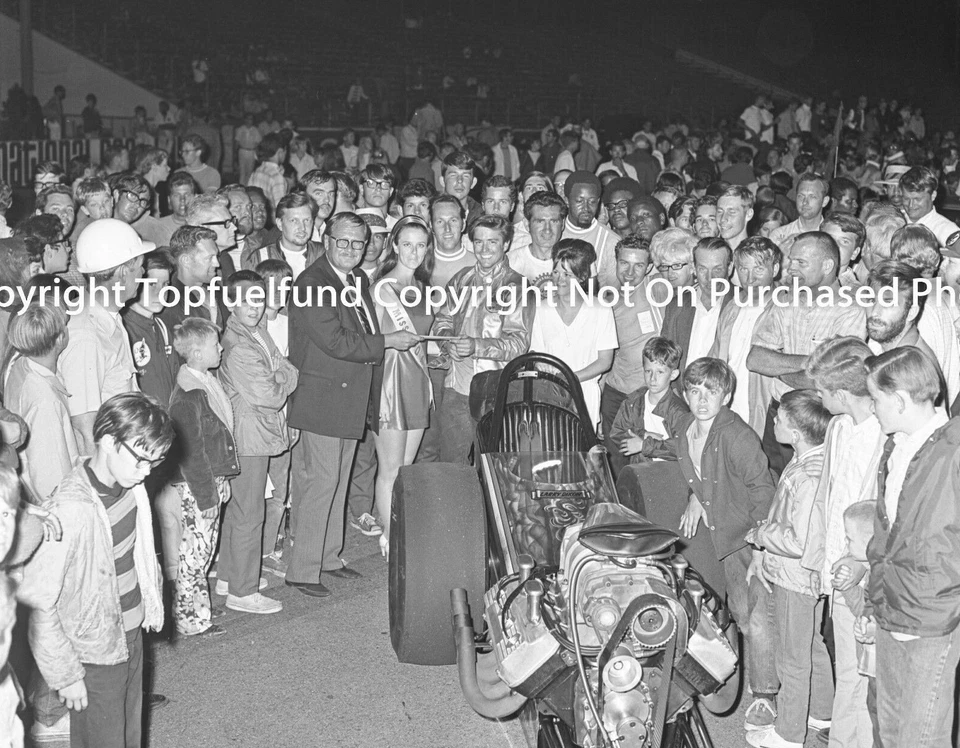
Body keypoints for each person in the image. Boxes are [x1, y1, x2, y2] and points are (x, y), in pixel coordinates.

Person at [19, 392, 173, 748]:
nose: (148, 471)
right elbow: (38, 601)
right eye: (141, 460)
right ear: (106, 441)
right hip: (94, 650)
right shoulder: (70, 508)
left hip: (131, 633)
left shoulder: (130, 486)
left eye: (155, 461)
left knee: (129, 736)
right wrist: (65, 674)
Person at [285, 213, 419, 597]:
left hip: (349, 396)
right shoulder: (312, 283)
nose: (349, 249)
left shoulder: (357, 279)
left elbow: (361, 330)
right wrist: (388, 342)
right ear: (325, 240)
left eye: (357, 243)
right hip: (323, 397)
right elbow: (337, 342)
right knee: (320, 482)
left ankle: (328, 558)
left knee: (338, 481)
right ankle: (303, 570)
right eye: (342, 242)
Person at [674, 357, 778, 736]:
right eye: (694, 390)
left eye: (711, 392)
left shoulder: (736, 434)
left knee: (757, 616)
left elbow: (764, 491)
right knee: (740, 612)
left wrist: (763, 552)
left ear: (727, 395)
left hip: (753, 533)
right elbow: (702, 474)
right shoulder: (687, 427)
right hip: (728, 536)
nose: (701, 399)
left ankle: (766, 696)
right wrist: (695, 496)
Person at [864, 347, 960, 748]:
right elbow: (886, 536)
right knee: (888, 732)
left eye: (876, 399)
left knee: (921, 739)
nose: (872, 408)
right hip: (892, 609)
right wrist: (873, 602)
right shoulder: (896, 446)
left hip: (933, 618)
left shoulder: (953, 453)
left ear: (900, 401)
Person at [800, 336, 884, 748]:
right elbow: (825, 499)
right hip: (836, 568)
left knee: (863, 677)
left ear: (841, 394)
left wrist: (860, 565)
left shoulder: (884, 435)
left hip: (862, 571)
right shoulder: (837, 427)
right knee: (847, 670)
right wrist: (818, 562)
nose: (816, 397)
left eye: (820, 391)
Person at [745, 389, 834, 748]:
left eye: (779, 419)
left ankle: (788, 734)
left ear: (795, 432)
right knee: (810, 645)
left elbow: (799, 541)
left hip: (795, 578)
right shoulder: (807, 460)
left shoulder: (807, 476)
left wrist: (761, 535)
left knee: (791, 657)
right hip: (800, 576)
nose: (774, 423)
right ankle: (822, 712)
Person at [748, 232, 867, 475]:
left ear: (827, 266)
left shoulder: (850, 312)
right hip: (778, 415)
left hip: (818, 420)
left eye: (801, 263)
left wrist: (779, 369)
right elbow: (755, 360)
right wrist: (808, 362)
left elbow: (823, 381)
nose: (791, 269)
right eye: (791, 260)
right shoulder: (785, 301)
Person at [217, 270, 297, 614]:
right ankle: (243, 591)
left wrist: (281, 374)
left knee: (241, 509)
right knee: (249, 512)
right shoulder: (238, 343)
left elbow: (285, 367)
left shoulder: (256, 331)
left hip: (256, 431)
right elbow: (270, 395)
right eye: (246, 299)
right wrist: (283, 376)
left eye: (259, 298)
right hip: (249, 435)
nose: (254, 305)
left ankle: (229, 576)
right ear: (230, 302)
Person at [431, 215, 533, 464]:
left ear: (506, 244)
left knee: (494, 466)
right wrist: (447, 342)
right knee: (451, 465)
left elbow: (519, 344)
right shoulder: (461, 278)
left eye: (492, 242)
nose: (484, 249)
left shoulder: (518, 285)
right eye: (479, 242)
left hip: (495, 390)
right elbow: (442, 321)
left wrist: (477, 346)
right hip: (456, 387)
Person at [168, 317, 238, 637]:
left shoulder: (204, 380)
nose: (220, 348)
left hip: (210, 479)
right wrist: (207, 494)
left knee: (203, 549)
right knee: (195, 554)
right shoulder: (189, 393)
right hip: (198, 485)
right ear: (196, 352)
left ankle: (198, 606)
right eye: (214, 345)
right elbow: (191, 452)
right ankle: (191, 618)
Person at [59, 220, 153, 455]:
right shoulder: (85, 334)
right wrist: (102, 489)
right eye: (139, 266)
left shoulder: (111, 316)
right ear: (122, 272)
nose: (144, 272)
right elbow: (84, 427)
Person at [371, 217, 434, 556]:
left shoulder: (423, 289)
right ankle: (389, 534)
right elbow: (368, 338)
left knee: (406, 470)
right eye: (407, 244)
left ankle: (399, 526)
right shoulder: (381, 288)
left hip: (416, 381)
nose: (413, 251)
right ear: (394, 246)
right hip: (390, 381)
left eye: (420, 245)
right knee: (391, 468)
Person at [529, 238, 618, 429]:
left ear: (582, 276)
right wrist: (548, 373)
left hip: (584, 397)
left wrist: (569, 377)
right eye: (556, 272)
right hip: (548, 394)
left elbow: (604, 361)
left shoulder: (601, 309)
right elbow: (537, 354)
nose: (559, 280)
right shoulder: (541, 309)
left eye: (567, 274)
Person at [600, 234, 665, 475]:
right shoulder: (607, 300)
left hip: (648, 394)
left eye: (638, 265)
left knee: (646, 468)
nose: (630, 272)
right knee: (616, 465)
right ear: (615, 262)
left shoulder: (657, 290)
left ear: (649, 267)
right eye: (624, 263)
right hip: (616, 394)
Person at [3, 303, 78, 503]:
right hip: (55, 504)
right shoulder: (44, 400)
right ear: (61, 338)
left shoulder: (22, 364)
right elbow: (51, 480)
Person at [710, 237, 781, 435]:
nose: (750, 279)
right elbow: (717, 354)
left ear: (774, 269)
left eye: (758, 269)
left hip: (765, 411)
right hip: (727, 406)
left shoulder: (785, 308)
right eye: (743, 269)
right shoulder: (732, 306)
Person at [661, 236, 735, 374]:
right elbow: (665, 359)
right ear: (694, 268)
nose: (709, 278)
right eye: (702, 269)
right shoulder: (676, 306)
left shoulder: (742, 304)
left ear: (729, 268)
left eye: (717, 269)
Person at [609, 336, 687, 467]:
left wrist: (645, 445)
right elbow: (617, 433)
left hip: (671, 474)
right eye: (648, 371)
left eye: (660, 372)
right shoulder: (633, 401)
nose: (653, 378)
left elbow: (683, 448)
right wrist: (643, 435)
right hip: (641, 470)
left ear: (673, 375)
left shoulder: (678, 410)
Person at [241, 191, 321, 277]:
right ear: (280, 224)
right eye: (294, 221)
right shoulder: (259, 258)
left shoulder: (323, 254)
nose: (302, 228)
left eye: (306, 220)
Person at [560, 171, 618, 286]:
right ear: (566, 201)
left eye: (592, 202)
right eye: (579, 201)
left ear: (598, 202)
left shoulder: (611, 240)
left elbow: (613, 293)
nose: (586, 208)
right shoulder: (555, 232)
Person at [509, 190, 565, 284]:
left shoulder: (574, 262)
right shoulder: (510, 263)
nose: (547, 229)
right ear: (527, 224)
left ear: (563, 224)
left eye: (554, 221)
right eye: (540, 221)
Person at [899, 166, 960, 247]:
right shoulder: (894, 222)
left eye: (917, 199)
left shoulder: (947, 230)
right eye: (906, 198)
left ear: (933, 195)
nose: (911, 205)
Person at [770, 174, 830, 248]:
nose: (805, 202)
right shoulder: (780, 236)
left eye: (812, 197)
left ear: (824, 201)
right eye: (801, 196)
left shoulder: (833, 236)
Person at [428, 195, 475, 286]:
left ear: (463, 224)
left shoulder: (480, 265)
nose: (447, 228)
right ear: (431, 225)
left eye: (453, 220)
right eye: (440, 222)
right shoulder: (421, 266)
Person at [248, 133, 287, 213]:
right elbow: (281, 209)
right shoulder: (276, 177)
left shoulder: (257, 171)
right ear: (280, 152)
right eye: (285, 152)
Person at [441, 151, 481, 227]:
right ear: (442, 181)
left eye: (466, 176)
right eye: (453, 175)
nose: (460, 180)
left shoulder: (481, 216)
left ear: (473, 183)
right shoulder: (431, 212)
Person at [717, 185, 754, 251]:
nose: (723, 219)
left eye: (731, 212)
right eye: (719, 211)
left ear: (749, 214)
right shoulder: (710, 254)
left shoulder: (757, 257)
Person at [235, 114, 263, 185]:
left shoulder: (255, 130)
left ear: (253, 121)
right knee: (242, 171)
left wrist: (257, 155)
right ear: (244, 119)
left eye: (251, 119)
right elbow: (237, 142)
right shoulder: (240, 129)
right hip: (242, 150)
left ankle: (248, 187)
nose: (249, 121)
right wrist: (235, 155)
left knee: (250, 171)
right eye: (247, 119)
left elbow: (257, 143)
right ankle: (241, 187)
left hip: (251, 151)